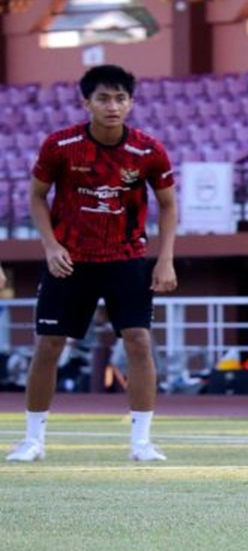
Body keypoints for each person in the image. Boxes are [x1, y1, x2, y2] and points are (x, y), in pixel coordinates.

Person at [6, 64, 178, 463]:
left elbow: (168, 206)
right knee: (49, 345)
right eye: (103, 98)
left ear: (131, 103)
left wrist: (165, 259)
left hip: (127, 259)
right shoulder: (59, 145)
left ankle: (141, 443)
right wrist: (49, 247)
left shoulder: (149, 150)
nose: (112, 106)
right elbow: (36, 197)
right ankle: (33, 440)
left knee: (138, 341)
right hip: (70, 260)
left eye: (120, 98)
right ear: (86, 102)